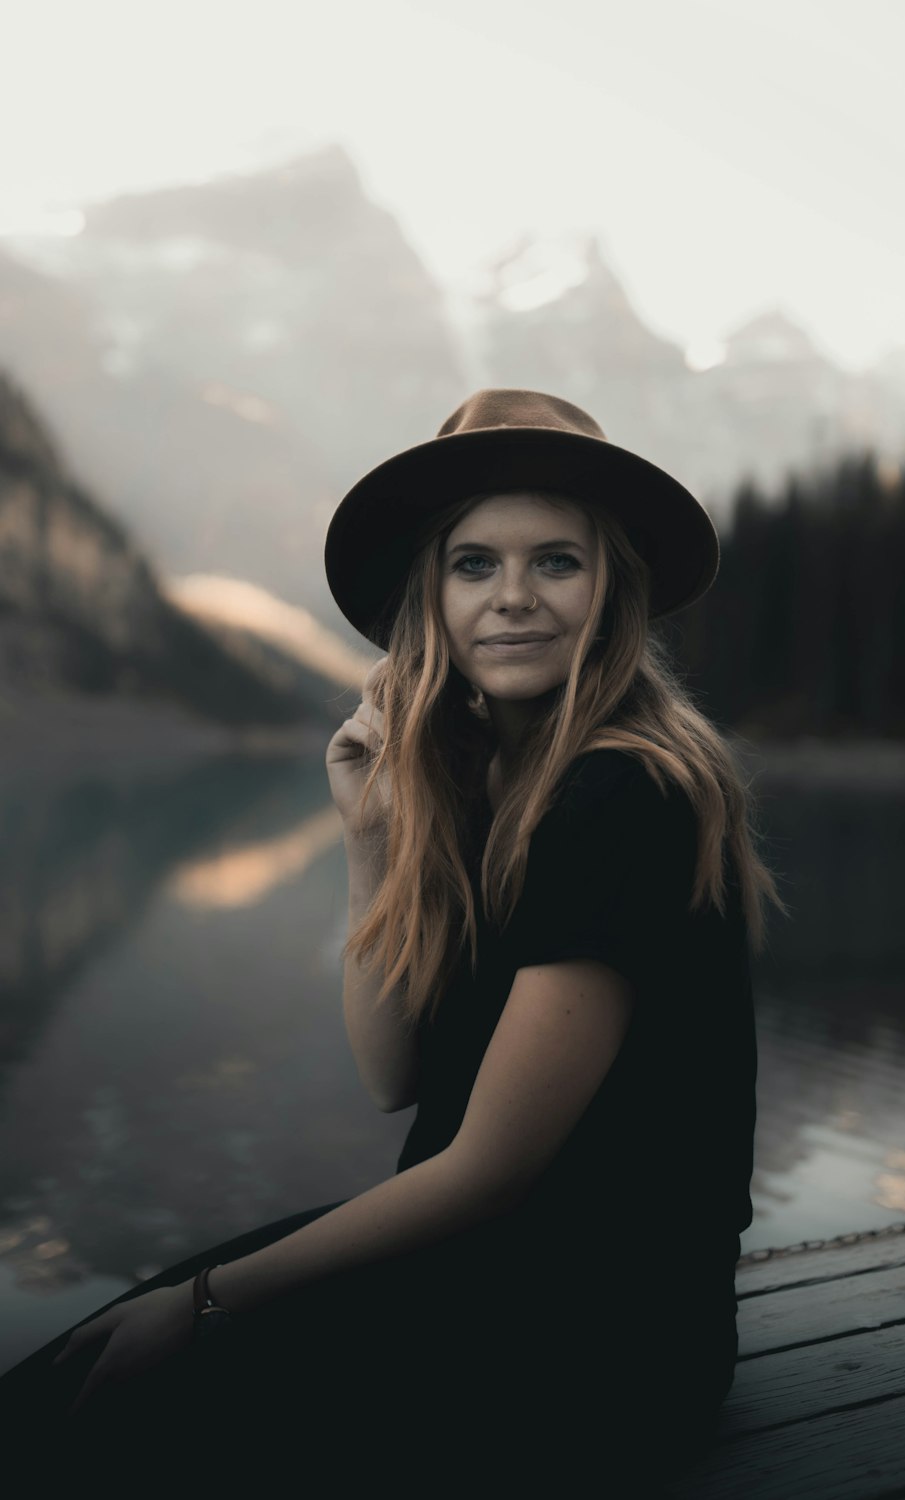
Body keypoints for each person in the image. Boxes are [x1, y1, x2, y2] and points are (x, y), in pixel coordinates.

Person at [0, 388, 785, 1493]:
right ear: (432, 592)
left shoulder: (623, 794)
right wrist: (370, 842)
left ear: (613, 591)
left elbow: (490, 1168)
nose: (511, 599)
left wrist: (208, 1304)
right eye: (474, 565)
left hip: (595, 1344)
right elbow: (394, 1076)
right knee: (79, 1369)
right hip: (485, 1281)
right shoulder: (487, 779)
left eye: (554, 561)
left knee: (107, 1406)